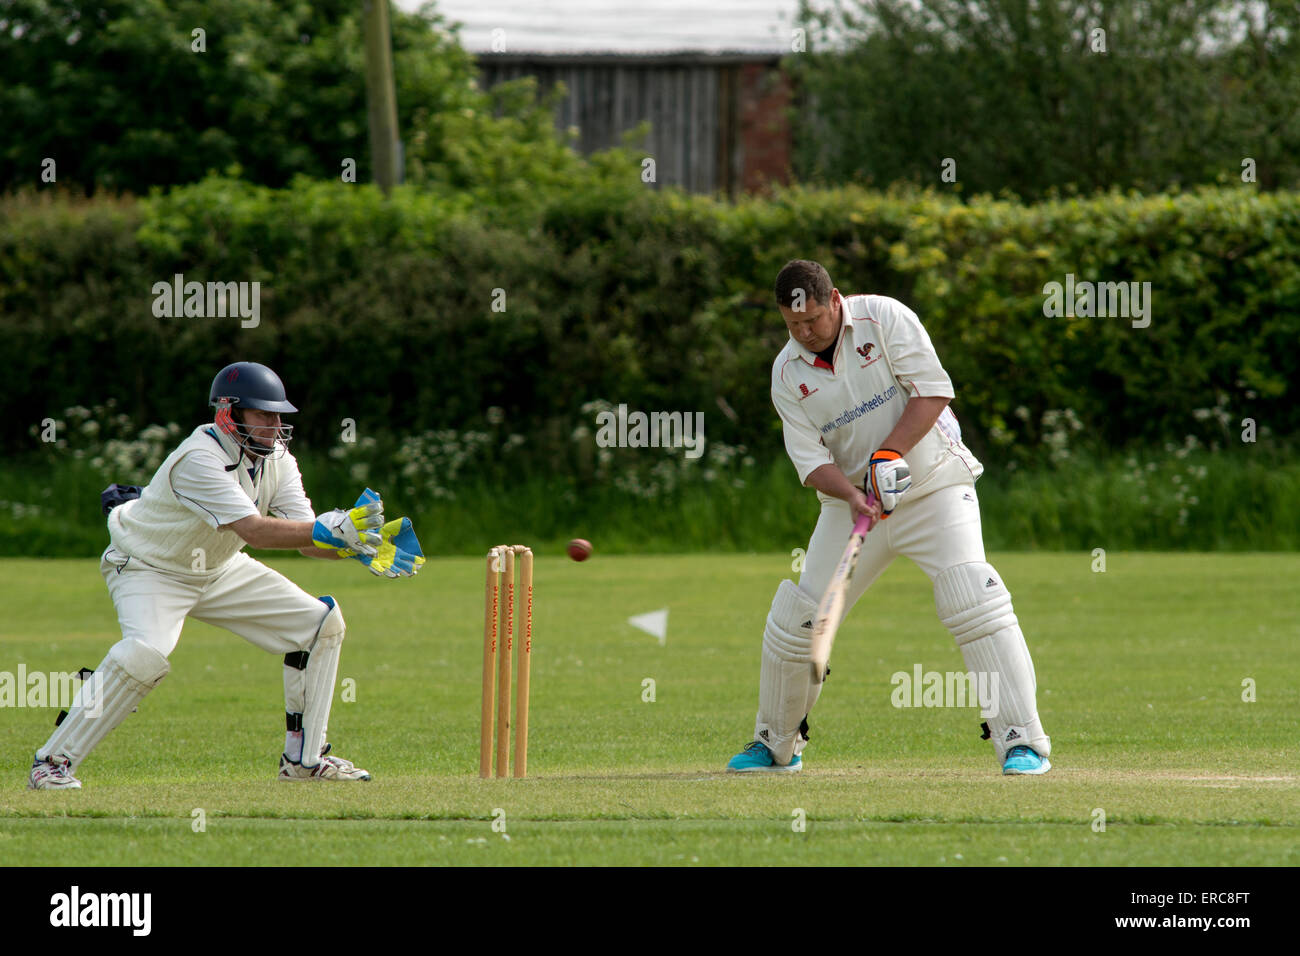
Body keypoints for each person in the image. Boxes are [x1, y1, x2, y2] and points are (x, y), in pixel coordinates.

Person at [28, 362, 424, 789]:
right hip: (149, 566)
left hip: (216, 567)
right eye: (262, 415)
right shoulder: (197, 458)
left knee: (320, 625)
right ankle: (51, 762)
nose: (274, 426)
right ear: (227, 413)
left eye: (278, 416)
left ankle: (304, 762)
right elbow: (254, 530)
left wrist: (355, 545)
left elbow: (307, 541)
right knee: (144, 656)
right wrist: (327, 530)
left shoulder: (279, 460)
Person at [726, 260, 1051, 775]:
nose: (805, 334)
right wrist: (854, 497)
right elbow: (811, 463)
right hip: (852, 506)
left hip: (934, 486)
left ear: (835, 301)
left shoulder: (884, 318)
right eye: (793, 326)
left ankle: (1021, 741)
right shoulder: (787, 373)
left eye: (812, 321)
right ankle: (775, 743)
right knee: (800, 620)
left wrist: (888, 455)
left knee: (974, 596)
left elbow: (933, 392)